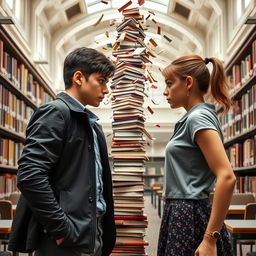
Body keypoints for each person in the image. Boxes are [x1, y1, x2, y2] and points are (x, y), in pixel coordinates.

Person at [8, 47, 116, 256]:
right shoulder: (56, 113)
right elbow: (30, 175)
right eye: (101, 81)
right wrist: (62, 229)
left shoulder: (92, 124)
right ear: (79, 78)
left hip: (92, 230)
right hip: (66, 237)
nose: (106, 90)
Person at [157, 55, 236, 256]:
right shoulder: (193, 118)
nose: (165, 91)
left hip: (189, 216)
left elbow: (227, 176)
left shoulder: (198, 118)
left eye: (169, 83)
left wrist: (210, 239)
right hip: (182, 213)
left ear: (188, 83)